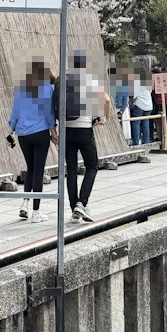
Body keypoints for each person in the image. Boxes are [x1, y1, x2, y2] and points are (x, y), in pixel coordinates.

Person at [54, 51, 113, 223]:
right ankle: (82, 203)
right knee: (92, 166)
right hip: (84, 129)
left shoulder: (60, 79)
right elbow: (107, 100)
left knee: (71, 170)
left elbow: (53, 104)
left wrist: (54, 129)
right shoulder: (89, 79)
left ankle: (74, 209)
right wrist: (105, 118)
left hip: (66, 129)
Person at [9, 60, 56, 223]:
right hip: (40, 132)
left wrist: (10, 132)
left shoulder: (21, 89)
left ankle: (25, 204)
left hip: (23, 134)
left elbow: (15, 112)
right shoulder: (46, 88)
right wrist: (53, 131)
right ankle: (36, 212)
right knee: (38, 171)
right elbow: (49, 113)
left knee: (30, 168)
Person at [130, 70, 153, 146]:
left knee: (136, 123)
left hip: (140, 105)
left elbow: (134, 95)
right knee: (146, 123)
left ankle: (136, 141)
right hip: (148, 105)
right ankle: (146, 141)